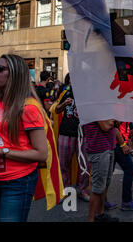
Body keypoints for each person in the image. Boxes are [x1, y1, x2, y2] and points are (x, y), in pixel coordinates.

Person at [0, 54, 48, 222]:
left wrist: (3, 152)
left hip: (16, 182)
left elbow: (41, 154)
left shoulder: (28, 108)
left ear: (15, 73)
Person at [54, 73, 90, 201]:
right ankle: (66, 190)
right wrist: (64, 104)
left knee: (84, 164)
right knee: (64, 164)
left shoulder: (88, 95)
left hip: (83, 134)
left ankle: (83, 190)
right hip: (66, 133)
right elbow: (57, 110)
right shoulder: (66, 93)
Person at [83, 119, 119, 222]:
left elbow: (115, 123)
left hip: (108, 147)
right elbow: (105, 127)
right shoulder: (95, 106)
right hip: (99, 150)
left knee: (104, 184)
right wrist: (113, 121)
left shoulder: (103, 107)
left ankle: (100, 214)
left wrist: (112, 121)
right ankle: (91, 219)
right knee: (98, 187)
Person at [109, 121, 133, 211]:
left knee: (108, 172)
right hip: (117, 144)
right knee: (129, 169)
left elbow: (123, 127)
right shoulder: (119, 107)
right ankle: (127, 201)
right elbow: (115, 127)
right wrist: (123, 144)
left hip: (116, 142)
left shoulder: (122, 107)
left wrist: (126, 138)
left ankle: (102, 201)